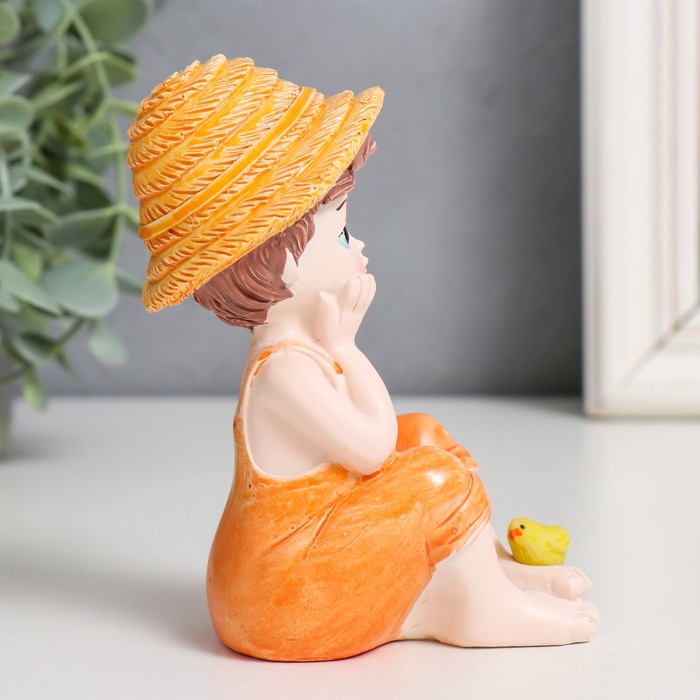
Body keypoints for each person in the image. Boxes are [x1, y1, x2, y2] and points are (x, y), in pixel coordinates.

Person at [128, 55, 599, 661]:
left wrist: (338, 347)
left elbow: (376, 447)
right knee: (433, 479)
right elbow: (372, 451)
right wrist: (347, 347)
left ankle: (483, 575)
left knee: (422, 435)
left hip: (304, 561)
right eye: (343, 233)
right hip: (279, 600)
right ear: (276, 259)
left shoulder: (300, 350)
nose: (361, 243)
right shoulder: (283, 370)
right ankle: (478, 607)